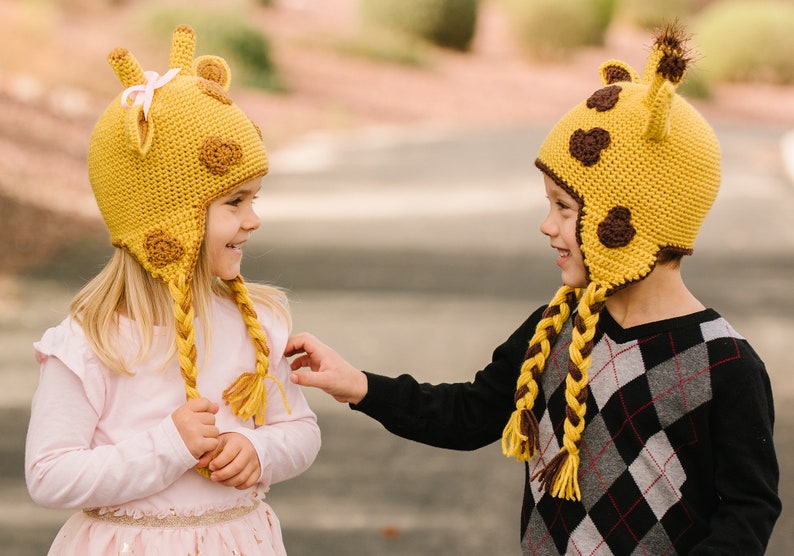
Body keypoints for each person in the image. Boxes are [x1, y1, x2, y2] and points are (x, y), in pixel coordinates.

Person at [286, 24, 780, 554]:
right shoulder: (556, 328)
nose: (547, 225)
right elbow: (471, 413)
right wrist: (358, 384)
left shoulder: (724, 365)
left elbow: (748, 511)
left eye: (565, 208)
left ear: (629, 222)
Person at [25, 25, 320, 555]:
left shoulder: (260, 322)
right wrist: (168, 446)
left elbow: (300, 430)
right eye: (234, 203)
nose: (253, 220)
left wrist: (259, 449)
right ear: (167, 222)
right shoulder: (93, 341)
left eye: (254, 198)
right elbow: (49, 475)